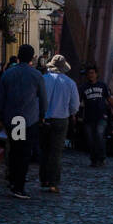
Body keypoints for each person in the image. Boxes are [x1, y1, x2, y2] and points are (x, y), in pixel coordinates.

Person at [0, 43, 47, 200]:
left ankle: (13, 179)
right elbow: (43, 98)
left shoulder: (8, 73)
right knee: (23, 153)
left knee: (15, 150)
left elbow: (0, 97)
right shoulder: (36, 75)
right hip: (28, 119)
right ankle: (19, 185)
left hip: (13, 118)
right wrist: (43, 115)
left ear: (18, 56)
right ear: (32, 58)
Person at [41, 54, 79, 193]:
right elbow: (74, 106)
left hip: (44, 119)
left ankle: (44, 179)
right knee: (56, 152)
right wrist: (67, 112)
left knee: (44, 150)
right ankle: (53, 182)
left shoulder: (43, 79)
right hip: (61, 120)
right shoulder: (70, 83)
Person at [79, 65, 113, 167]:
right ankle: (94, 159)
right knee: (90, 140)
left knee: (99, 135)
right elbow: (78, 101)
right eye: (89, 73)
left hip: (101, 116)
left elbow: (109, 99)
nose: (91, 75)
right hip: (88, 117)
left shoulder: (102, 86)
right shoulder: (83, 87)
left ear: (96, 74)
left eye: (92, 73)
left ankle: (102, 158)